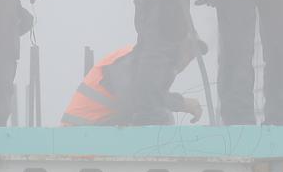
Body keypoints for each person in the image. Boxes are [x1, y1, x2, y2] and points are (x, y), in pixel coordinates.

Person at [60, 37, 206, 125]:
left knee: (157, 114)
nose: (187, 61)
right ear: (173, 46)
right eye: (187, 51)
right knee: (159, 115)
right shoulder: (136, 60)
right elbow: (135, 100)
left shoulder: (151, 66)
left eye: (192, 56)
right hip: (80, 131)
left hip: (96, 128)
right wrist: (180, 103)